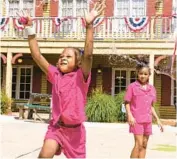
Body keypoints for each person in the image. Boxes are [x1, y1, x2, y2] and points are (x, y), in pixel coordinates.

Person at [19, 1, 106, 158]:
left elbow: (88, 55)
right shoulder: (55, 74)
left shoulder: (81, 76)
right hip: (57, 128)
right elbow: (36, 56)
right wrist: (29, 27)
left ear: (78, 63)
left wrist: (89, 26)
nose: (63, 58)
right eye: (61, 56)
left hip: (76, 133)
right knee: (45, 155)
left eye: (68, 56)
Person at [124, 61, 164, 159]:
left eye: (145, 74)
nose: (142, 76)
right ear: (137, 74)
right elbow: (127, 102)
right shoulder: (132, 87)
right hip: (136, 120)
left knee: (145, 144)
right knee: (139, 144)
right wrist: (130, 115)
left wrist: (158, 119)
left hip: (147, 120)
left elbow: (151, 106)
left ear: (149, 75)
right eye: (141, 73)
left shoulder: (152, 89)